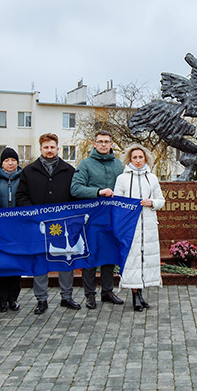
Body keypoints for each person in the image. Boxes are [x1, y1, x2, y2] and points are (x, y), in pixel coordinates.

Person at [17, 134, 80, 311]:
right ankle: (41, 300)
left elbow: (75, 196)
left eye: (52, 147)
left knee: (66, 260)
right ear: (41, 149)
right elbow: (21, 196)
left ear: (58, 148)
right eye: (46, 147)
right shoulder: (29, 171)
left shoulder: (69, 170)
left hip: (63, 225)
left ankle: (66, 297)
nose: (49, 150)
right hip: (38, 225)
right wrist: (34, 213)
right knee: (40, 261)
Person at [71, 130, 125, 309]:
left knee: (110, 255)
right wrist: (98, 192)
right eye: (100, 141)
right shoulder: (85, 164)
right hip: (92, 218)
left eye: (107, 141)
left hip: (113, 217)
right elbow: (75, 188)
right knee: (91, 257)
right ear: (94, 144)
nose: (103, 144)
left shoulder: (119, 164)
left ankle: (108, 292)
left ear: (111, 144)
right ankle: (90, 295)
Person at [113, 144, 165, 311]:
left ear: (145, 159)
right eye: (134, 157)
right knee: (133, 259)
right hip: (130, 226)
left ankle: (140, 293)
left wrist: (152, 203)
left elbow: (161, 200)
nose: (137, 160)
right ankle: (135, 295)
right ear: (129, 159)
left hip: (148, 225)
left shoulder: (152, 178)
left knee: (145, 260)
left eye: (140, 157)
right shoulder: (122, 178)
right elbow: (117, 202)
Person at [0, 147, 23, 312]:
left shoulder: (23, 178)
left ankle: (13, 299)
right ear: (1, 163)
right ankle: (1, 299)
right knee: (1, 264)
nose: (10, 163)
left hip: (18, 228)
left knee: (16, 264)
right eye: (7, 160)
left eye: (13, 160)